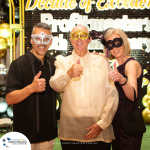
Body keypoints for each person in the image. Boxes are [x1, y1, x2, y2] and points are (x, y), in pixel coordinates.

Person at [49, 25, 119, 150]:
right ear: (70, 40)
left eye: (83, 35)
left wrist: (102, 124)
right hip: (70, 133)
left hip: (99, 132)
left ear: (89, 39)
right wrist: (68, 74)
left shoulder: (101, 61)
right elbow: (55, 85)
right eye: (75, 36)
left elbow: (112, 94)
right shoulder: (62, 62)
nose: (79, 39)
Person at [6, 22, 57, 150]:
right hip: (24, 137)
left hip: (47, 136)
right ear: (31, 41)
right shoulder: (18, 64)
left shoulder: (54, 63)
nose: (42, 43)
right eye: (38, 38)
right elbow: (9, 99)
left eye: (46, 39)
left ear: (50, 42)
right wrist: (31, 88)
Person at [92, 28, 143, 150]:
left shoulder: (130, 64)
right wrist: (99, 56)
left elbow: (133, 96)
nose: (114, 47)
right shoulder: (117, 64)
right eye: (110, 44)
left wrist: (122, 80)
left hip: (129, 123)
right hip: (116, 123)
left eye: (117, 42)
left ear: (124, 42)